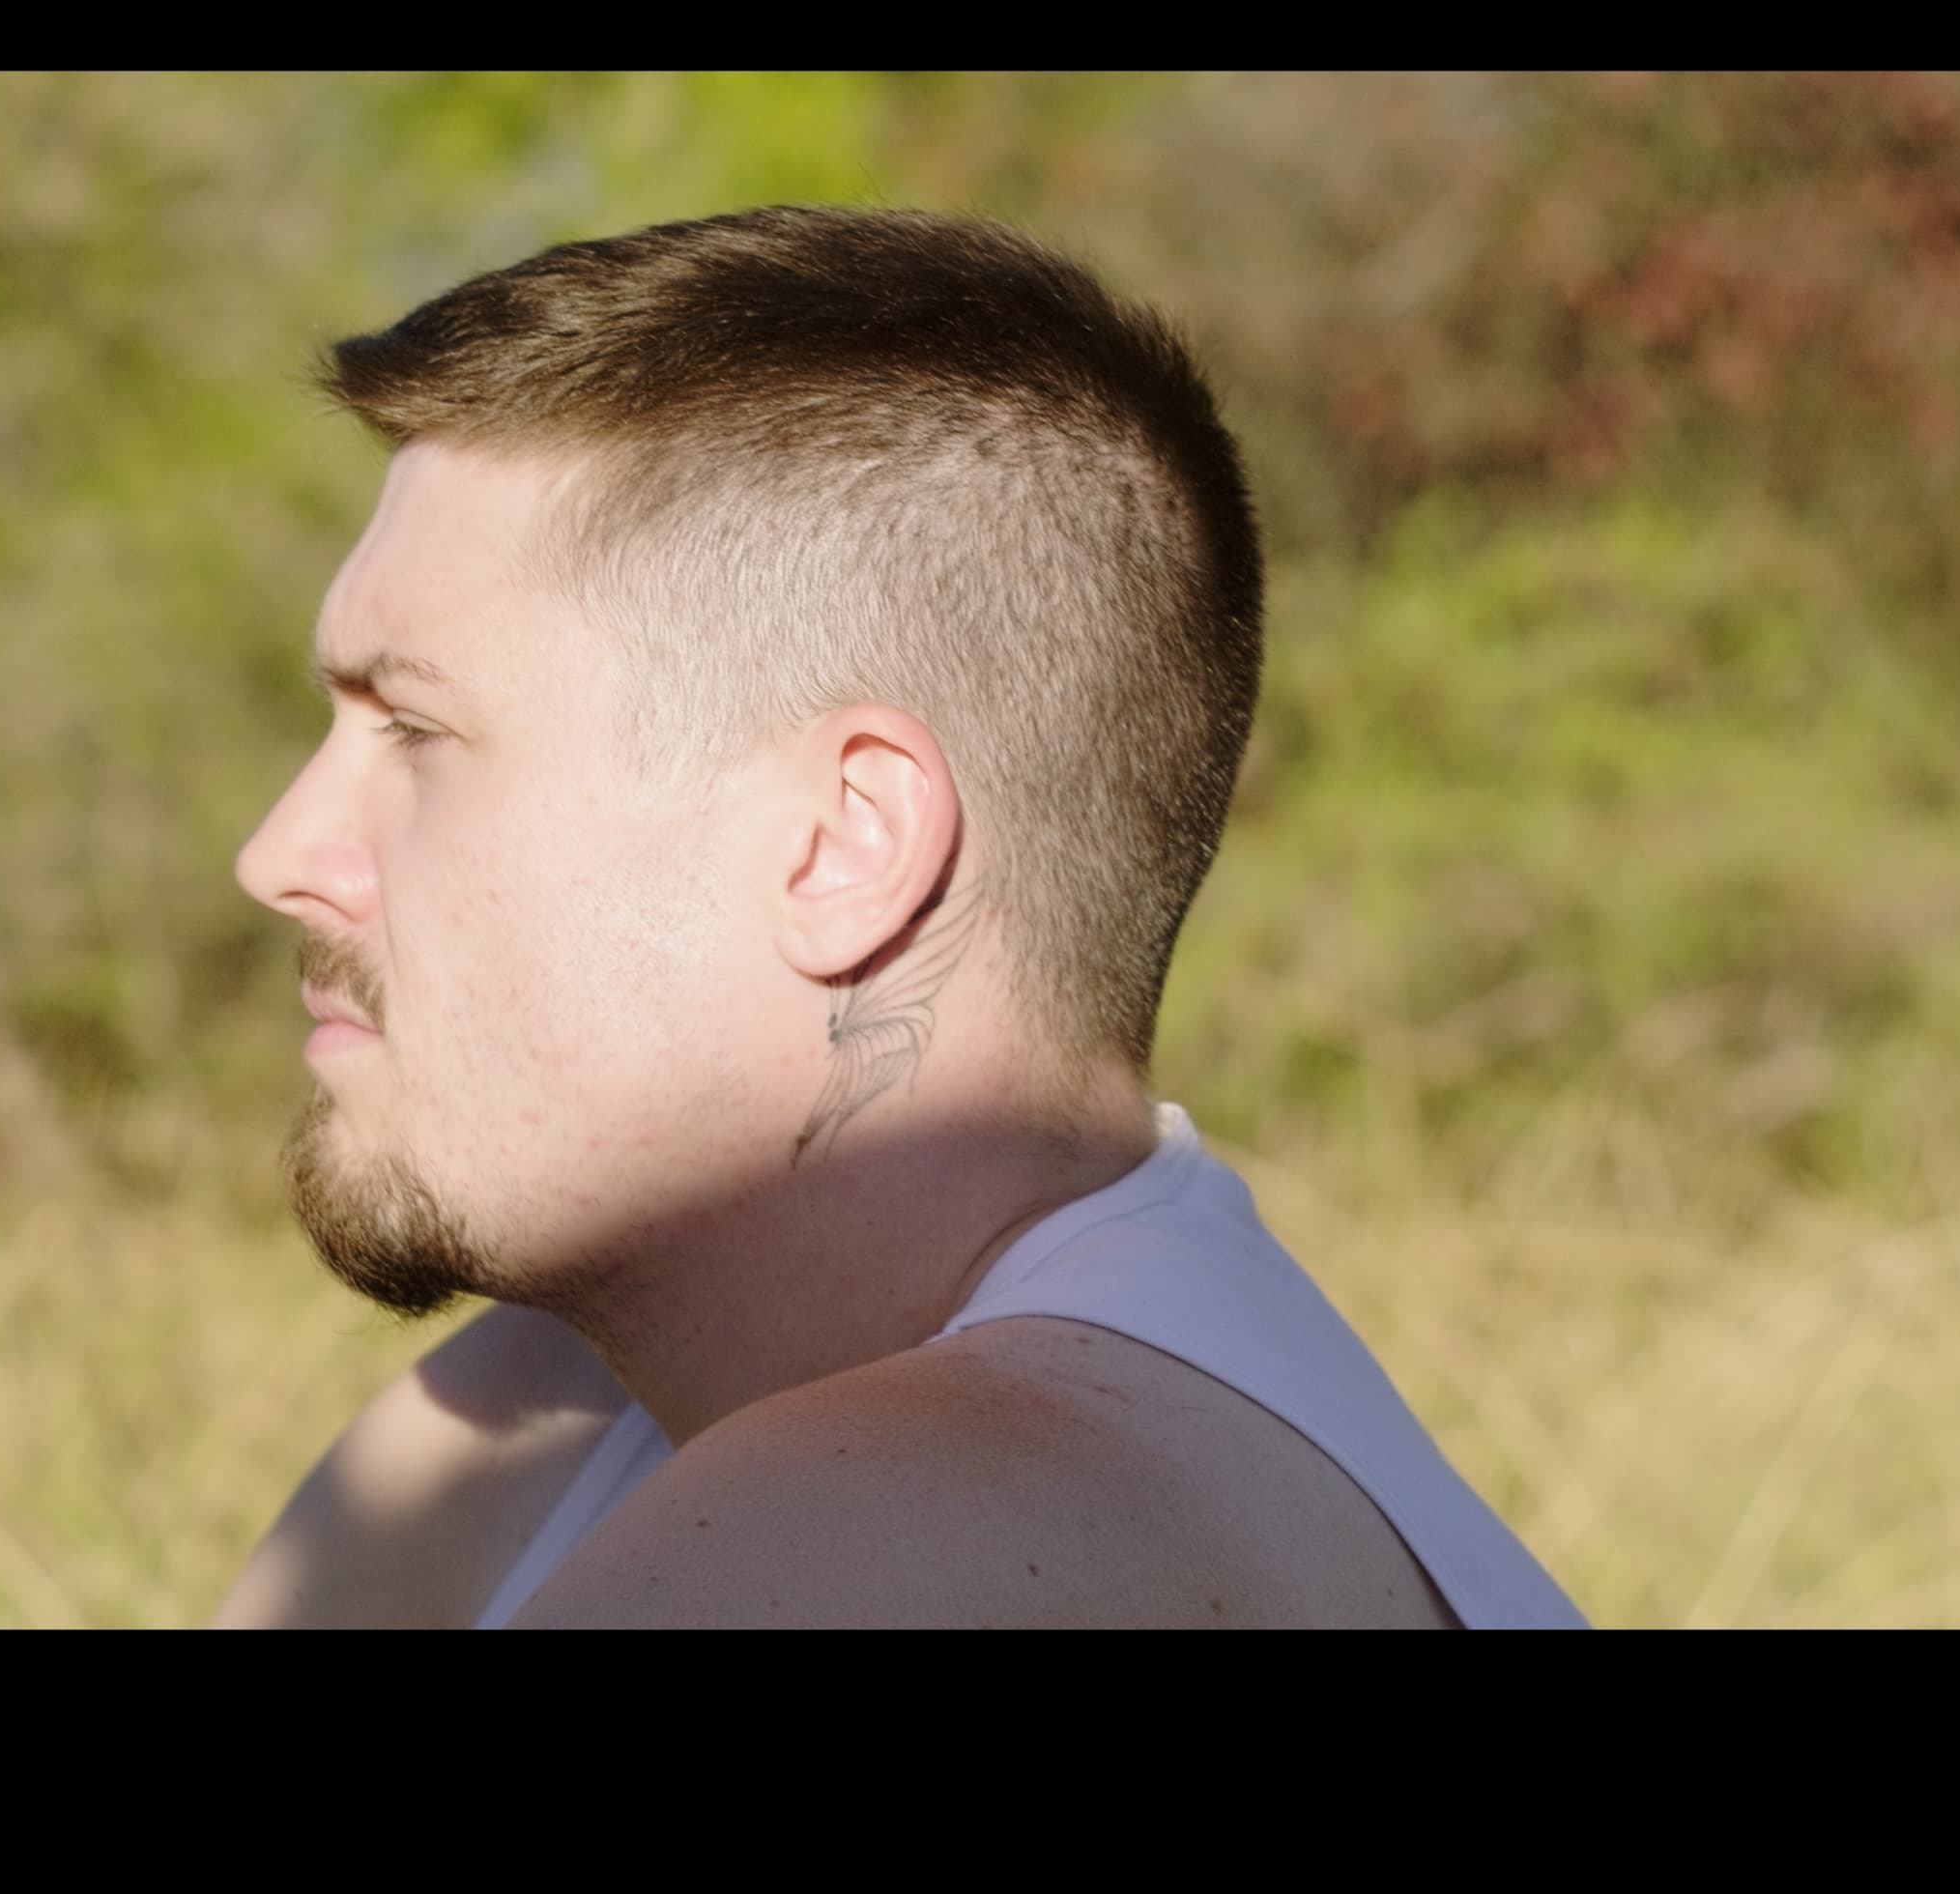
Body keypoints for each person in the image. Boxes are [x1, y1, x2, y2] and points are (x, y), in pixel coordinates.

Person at [212, 207, 1584, 1628]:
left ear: (844, 842)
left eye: (415, 730)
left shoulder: (919, 1535)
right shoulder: (539, 1409)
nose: (279, 856)